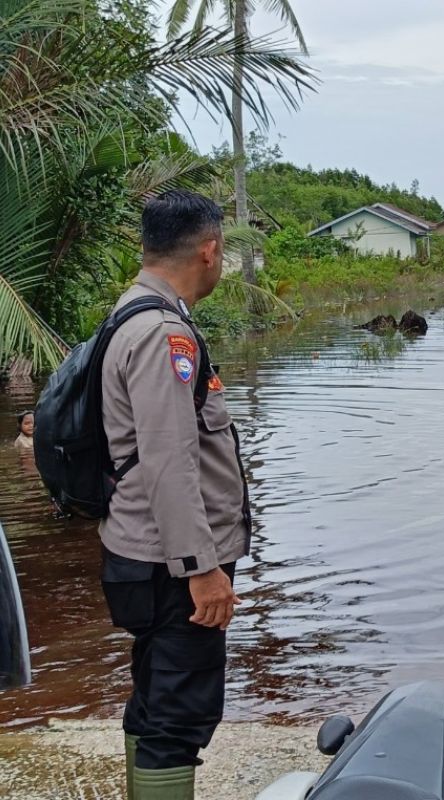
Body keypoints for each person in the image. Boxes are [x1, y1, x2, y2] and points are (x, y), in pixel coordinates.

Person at [99, 190, 251, 799]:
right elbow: (169, 460)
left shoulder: (129, 311)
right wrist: (202, 568)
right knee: (179, 716)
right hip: (172, 565)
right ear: (209, 251)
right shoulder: (165, 336)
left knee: (154, 701)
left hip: (137, 552)